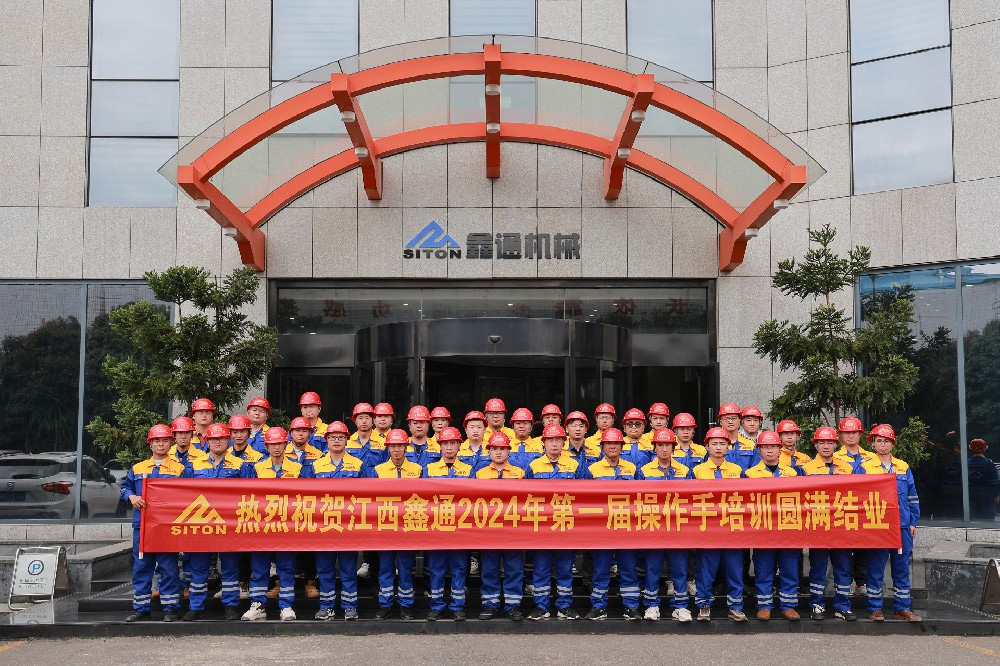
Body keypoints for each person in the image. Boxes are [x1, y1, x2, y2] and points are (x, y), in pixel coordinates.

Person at [242, 427, 313, 621]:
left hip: (287, 526)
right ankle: (258, 605)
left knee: (286, 567)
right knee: (259, 568)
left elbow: (306, 496)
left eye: (280, 443)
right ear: (266, 446)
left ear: (286, 444)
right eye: (272, 444)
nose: (276, 447)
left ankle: (286, 606)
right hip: (262, 526)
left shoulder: (298, 468)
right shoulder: (256, 468)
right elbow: (248, 496)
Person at [122, 424, 191, 622]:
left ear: (171, 443)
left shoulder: (180, 469)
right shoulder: (138, 468)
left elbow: (187, 496)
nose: (161, 444)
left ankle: (170, 608)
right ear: (150, 444)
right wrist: (132, 497)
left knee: (168, 568)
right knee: (142, 567)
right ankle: (141, 608)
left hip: (167, 527)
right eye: (156, 441)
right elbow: (125, 488)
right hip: (143, 527)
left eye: (165, 440)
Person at [862, 424, 922, 622]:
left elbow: (912, 497)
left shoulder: (902, 466)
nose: (883, 444)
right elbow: (858, 497)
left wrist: (913, 522)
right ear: (873, 444)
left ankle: (902, 608)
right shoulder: (864, 467)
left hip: (902, 526)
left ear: (892, 444)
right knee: (875, 568)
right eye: (879, 441)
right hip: (877, 525)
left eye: (886, 441)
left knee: (902, 568)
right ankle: (875, 608)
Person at [185, 423, 244, 621]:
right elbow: (184, 492)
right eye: (213, 439)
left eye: (222, 438)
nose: (218, 442)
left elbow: (249, 493)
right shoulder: (194, 465)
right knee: (198, 566)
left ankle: (231, 605)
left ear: (228, 441)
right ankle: (196, 606)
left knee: (230, 566)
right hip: (202, 523)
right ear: (207, 441)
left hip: (230, 524)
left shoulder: (240, 465)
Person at [582, 427, 642, 620]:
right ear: (602, 446)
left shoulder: (632, 469)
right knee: (601, 569)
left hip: (626, 526)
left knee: (628, 568)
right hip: (602, 528)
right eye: (608, 443)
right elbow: (583, 498)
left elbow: (641, 497)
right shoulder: (592, 469)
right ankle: (598, 606)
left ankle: (631, 607)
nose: (612, 446)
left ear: (622, 446)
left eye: (616, 443)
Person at [800, 425, 857, 621]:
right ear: (816, 445)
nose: (826, 446)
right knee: (818, 567)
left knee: (843, 567)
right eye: (822, 442)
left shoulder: (848, 468)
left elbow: (859, 494)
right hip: (818, 526)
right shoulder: (806, 469)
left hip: (841, 526)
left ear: (835, 445)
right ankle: (817, 604)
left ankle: (843, 606)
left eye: (829, 443)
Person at [744, 430, 801, 621]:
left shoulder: (792, 473)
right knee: (763, 568)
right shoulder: (750, 474)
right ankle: (764, 605)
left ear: (780, 449)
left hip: (788, 527)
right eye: (766, 447)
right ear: (759, 450)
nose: (770, 451)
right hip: (762, 529)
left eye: (774, 447)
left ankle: (788, 605)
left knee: (789, 567)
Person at [527, 424, 582, 620]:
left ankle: (564, 606)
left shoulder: (575, 465)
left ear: (563, 443)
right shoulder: (533, 466)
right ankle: (541, 606)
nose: (554, 443)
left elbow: (584, 493)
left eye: (558, 440)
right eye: (550, 440)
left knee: (565, 568)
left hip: (565, 524)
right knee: (541, 568)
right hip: (541, 526)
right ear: (543, 443)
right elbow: (525, 496)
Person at [692, 426, 747, 622]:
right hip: (708, 528)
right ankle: (703, 605)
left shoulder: (737, 470)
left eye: (722, 443)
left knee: (735, 569)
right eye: (714, 443)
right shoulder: (697, 471)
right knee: (706, 570)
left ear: (728, 446)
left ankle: (736, 606)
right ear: (707, 446)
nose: (718, 447)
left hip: (732, 527)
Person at [311, 421, 364, 621]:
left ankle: (350, 606)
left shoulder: (357, 465)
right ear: (326, 440)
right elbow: (307, 496)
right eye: (332, 437)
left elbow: (366, 495)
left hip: (348, 525)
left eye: (340, 437)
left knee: (348, 568)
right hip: (324, 525)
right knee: (324, 568)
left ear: (346, 440)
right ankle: (327, 607)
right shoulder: (316, 465)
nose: (336, 441)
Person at [640, 428, 693, 622]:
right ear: (654, 448)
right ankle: (651, 605)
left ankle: (680, 606)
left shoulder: (684, 470)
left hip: (677, 527)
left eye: (667, 445)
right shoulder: (644, 471)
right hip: (653, 525)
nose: (664, 449)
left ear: (673, 447)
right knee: (653, 568)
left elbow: (690, 499)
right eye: (660, 445)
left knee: (679, 569)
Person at [368, 429, 423, 620]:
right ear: (388, 448)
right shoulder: (378, 470)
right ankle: (385, 604)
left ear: (406, 447)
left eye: (400, 446)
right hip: (386, 525)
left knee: (406, 568)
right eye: (393, 446)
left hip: (408, 525)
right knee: (385, 568)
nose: (397, 449)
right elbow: (372, 499)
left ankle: (406, 605)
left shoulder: (417, 469)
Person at [423, 426, 473, 620]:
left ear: (459, 446)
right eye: (445, 443)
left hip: (460, 528)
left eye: (453, 443)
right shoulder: (429, 469)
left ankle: (458, 606)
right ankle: (436, 605)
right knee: (436, 569)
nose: (449, 447)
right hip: (436, 527)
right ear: (440, 446)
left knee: (459, 568)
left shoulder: (469, 470)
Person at [476, 432, 526, 621]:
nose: (498, 452)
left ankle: (513, 606)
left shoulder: (519, 473)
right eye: (494, 449)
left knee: (514, 568)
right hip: (489, 530)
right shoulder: (480, 474)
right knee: (489, 568)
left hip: (513, 529)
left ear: (508, 451)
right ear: (489, 452)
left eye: (502, 449)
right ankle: (490, 604)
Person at [968, 438, 1000, 520]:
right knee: (987, 519)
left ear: (971, 450)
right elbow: (994, 481)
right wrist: (996, 495)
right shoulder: (988, 463)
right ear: (984, 450)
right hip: (987, 496)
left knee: (973, 519)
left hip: (970, 495)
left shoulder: (966, 462)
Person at [347, 402, 385, 467]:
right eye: (360, 418)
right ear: (355, 421)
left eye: (367, 418)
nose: (364, 421)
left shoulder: (383, 443)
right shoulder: (348, 443)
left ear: (373, 420)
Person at [727, 405, 762, 470]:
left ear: (760, 423)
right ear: (741, 422)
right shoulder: (734, 440)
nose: (752, 424)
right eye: (748, 420)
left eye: (756, 420)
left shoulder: (764, 439)